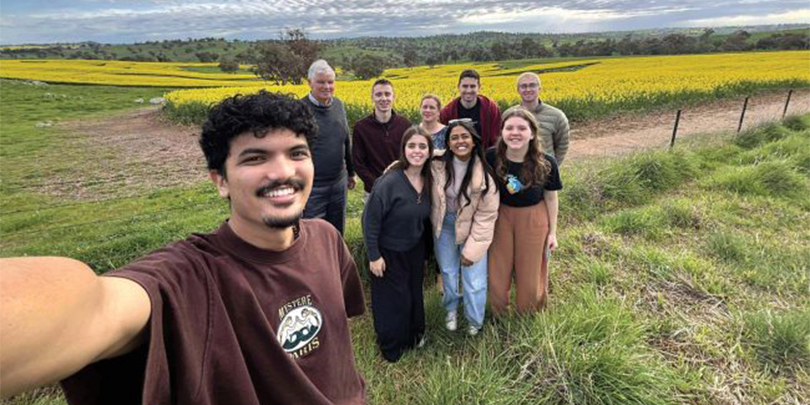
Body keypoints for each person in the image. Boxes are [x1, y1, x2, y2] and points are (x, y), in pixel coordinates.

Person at [0, 91, 367, 405]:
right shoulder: (190, 276)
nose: (283, 172)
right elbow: (95, 309)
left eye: (297, 153)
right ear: (220, 181)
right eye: (255, 158)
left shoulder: (327, 239)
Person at [362, 126, 433, 362]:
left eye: (422, 146)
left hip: (414, 248)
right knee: (393, 299)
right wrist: (374, 255)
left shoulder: (429, 179)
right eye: (411, 146)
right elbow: (370, 220)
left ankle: (414, 336)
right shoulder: (389, 182)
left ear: (430, 151)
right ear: (403, 149)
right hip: (388, 251)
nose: (417, 151)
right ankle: (391, 345)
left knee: (414, 294)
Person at [485, 106, 562, 315]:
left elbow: (551, 197)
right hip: (501, 215)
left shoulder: (547, 162)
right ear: (502, 132)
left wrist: (553, 232)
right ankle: (499, 313)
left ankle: (528, 312)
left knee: (530, 267)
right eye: (509, 128)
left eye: (522, 128)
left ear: (532, 133)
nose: (515, 133)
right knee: (498, 267)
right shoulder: (491, 156)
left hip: (534, 216)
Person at [429, 119, 499, 336]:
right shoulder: (437, 163)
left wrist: (472, 249)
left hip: (472, 227)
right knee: (448, 273)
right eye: (455, 138)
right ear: (448, 144)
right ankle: (451, 309)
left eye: (465, 136)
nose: (460, 141)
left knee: (474, 279)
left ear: (473, 141)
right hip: (444, 226)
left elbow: (487, 216)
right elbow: (410, 160)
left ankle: (474, 321)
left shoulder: (484, 174)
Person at [302, 59, 356, 234]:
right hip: (313, 187)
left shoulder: (338, 105)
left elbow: (345, 139)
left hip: (338, 183)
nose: (327, 86)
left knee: (337, 231)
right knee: (313, 233)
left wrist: (351, 173)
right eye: (321, 82)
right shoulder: (299, 109)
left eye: (330, 82)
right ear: (310, 83)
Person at [352, 78, 412, 198]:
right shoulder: (361, 127)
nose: (384, 98)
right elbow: (358, 163)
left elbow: (410, 157)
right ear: (372, 97)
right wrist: (376, 185)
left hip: (401, 189)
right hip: (373, 191)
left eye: (387, 94)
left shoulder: (405, 125)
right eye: (378, 94)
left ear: (393, 97)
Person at [515, 72, 570, 165]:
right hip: (517, 169)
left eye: (532, 85)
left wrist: (553, 166)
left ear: (539, 88)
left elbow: (562, 145)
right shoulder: (510, 115)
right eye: (523, 86)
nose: (528, 89)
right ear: (518, 90)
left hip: (545, 169)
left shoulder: (557, 116)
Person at [440, 69, 502, 149]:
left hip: (485, 154)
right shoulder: (447, 112)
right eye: (465, 86)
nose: (468, 90)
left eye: (472, 86)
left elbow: (496, 139)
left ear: (479, 87)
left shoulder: (491, 109)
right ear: (458, 87)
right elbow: (445, 141)